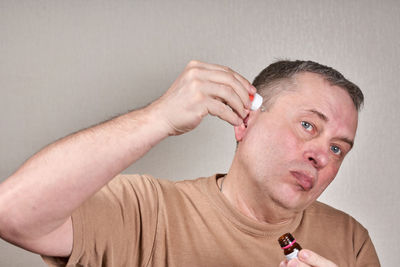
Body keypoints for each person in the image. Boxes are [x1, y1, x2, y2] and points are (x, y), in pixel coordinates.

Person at [0, 60, 380, 267]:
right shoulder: (147, 212)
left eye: (337, 149)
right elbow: (12, 213)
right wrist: (158, 118)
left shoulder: (350, 241)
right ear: (245, 120)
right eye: (307, 125)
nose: (319, 154)